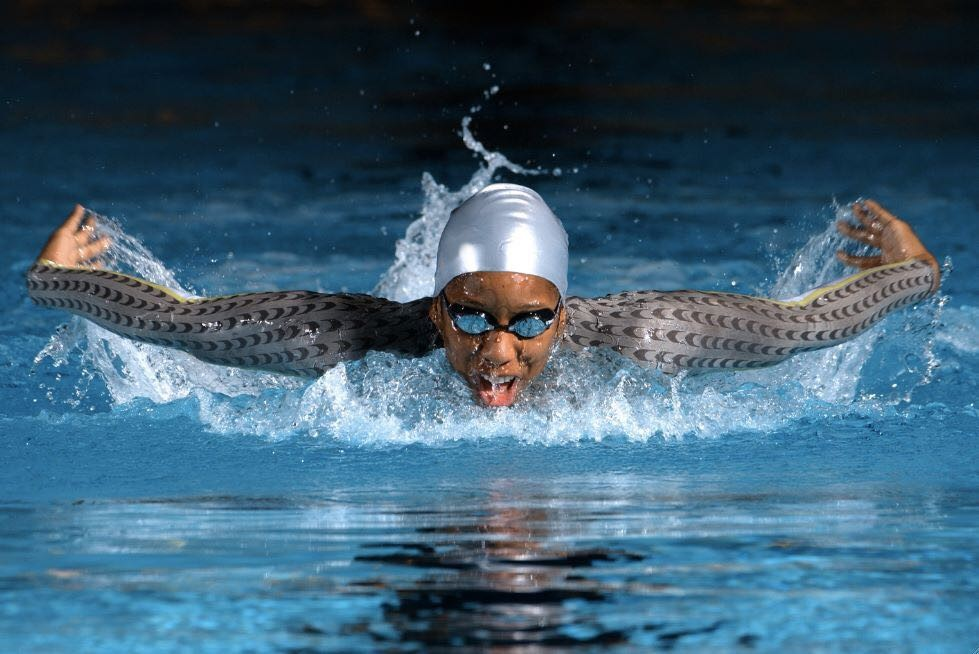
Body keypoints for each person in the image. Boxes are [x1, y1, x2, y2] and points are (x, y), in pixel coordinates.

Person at [27, 184, 940, 407]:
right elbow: (184, 326)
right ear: (435, 308)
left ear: (564, 314)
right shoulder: (349, 338)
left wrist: (915, 270)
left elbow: (804, 327)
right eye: (468, 317)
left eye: (530, 322)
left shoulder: (650, 337)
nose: (497, 354)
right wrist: (54, 279)